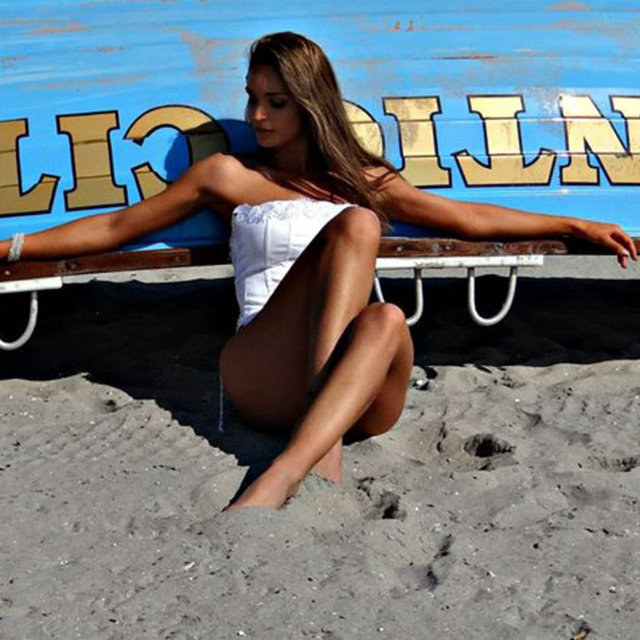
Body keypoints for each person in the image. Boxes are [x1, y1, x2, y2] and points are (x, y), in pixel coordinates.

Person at [1, 32, 636, 511]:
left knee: (387, 317)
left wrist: (574, 224)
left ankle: (304, 452)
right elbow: (117, 227)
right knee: (356, 225)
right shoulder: (228, 176)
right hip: (263, 369)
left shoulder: (361, 179)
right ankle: (302, 462)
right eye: (252, 99)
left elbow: (465, 216)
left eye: (275, 102)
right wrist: (13, 245)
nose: (257, 116)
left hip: (361, 400)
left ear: (311, 104)